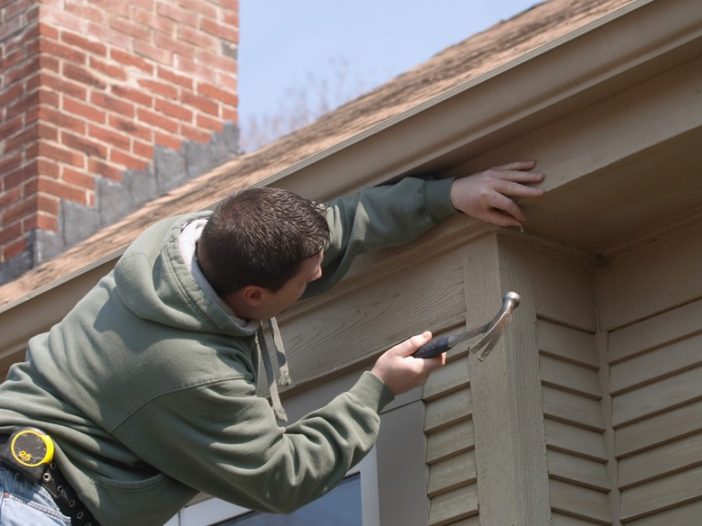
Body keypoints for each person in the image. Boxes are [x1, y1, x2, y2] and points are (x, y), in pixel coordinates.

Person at [0, 161, 543, 526]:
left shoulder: (193, 244)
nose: (319, 275)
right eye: (307, 278)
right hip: (29, 505)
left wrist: (446, 196)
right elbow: (282, 476)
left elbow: (330, 230)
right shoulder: (188, 368)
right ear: (254, 293)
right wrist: (376, 390)